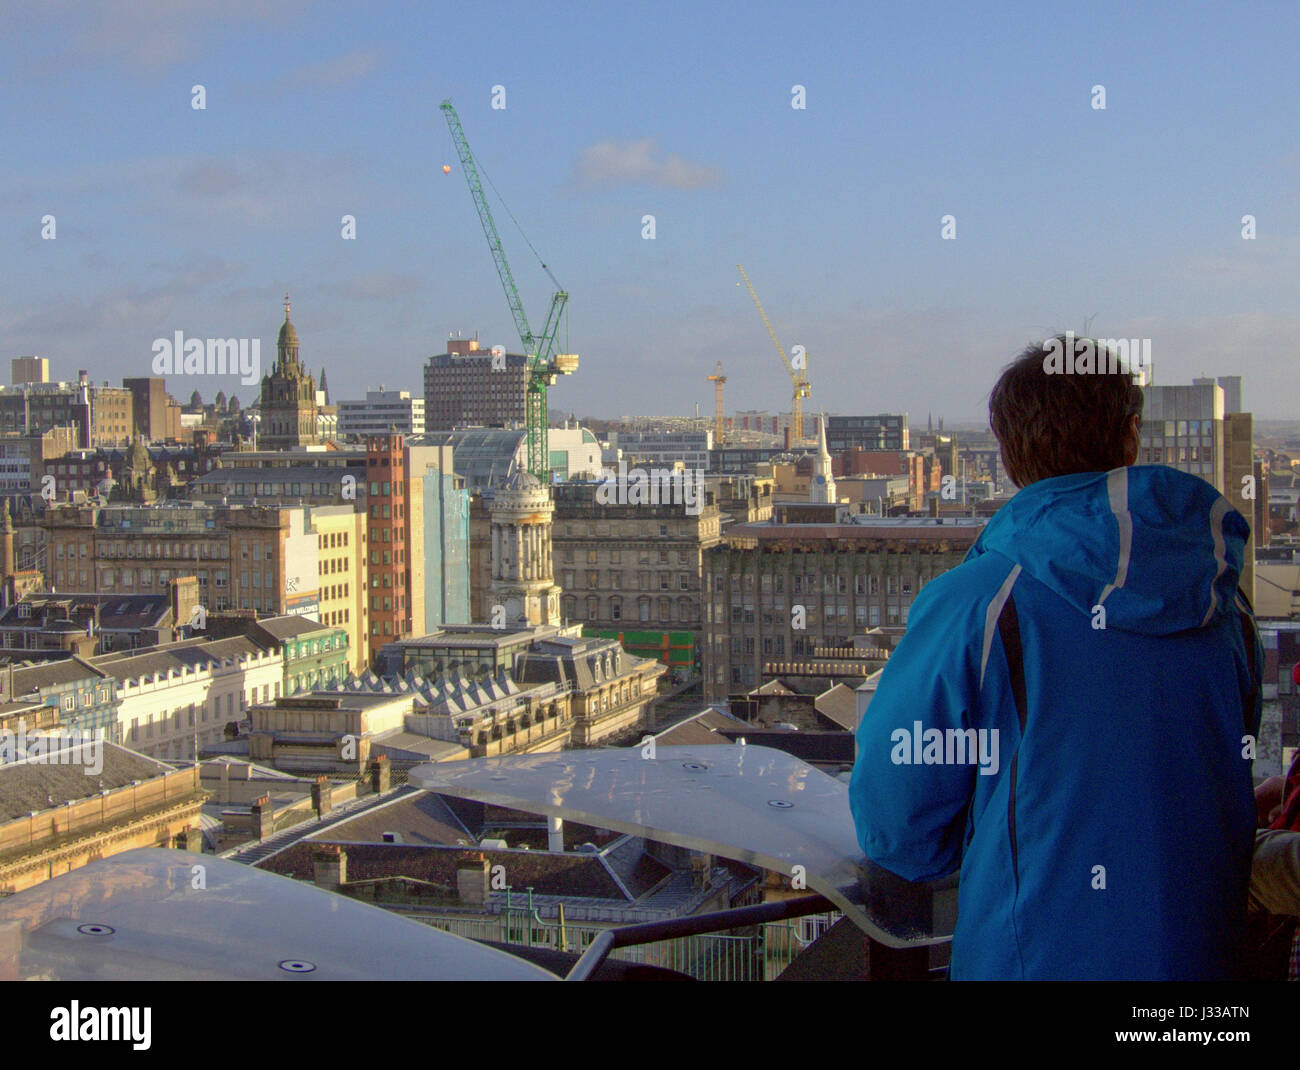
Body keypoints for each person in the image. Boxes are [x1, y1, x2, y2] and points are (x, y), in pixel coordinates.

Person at [849, 335, 1261, 980]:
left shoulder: (980, 602)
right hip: (1205, 957)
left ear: (1009, 455)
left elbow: (897, 815)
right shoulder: (1222, 599)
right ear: (1130, 438)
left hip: (1033, 954)